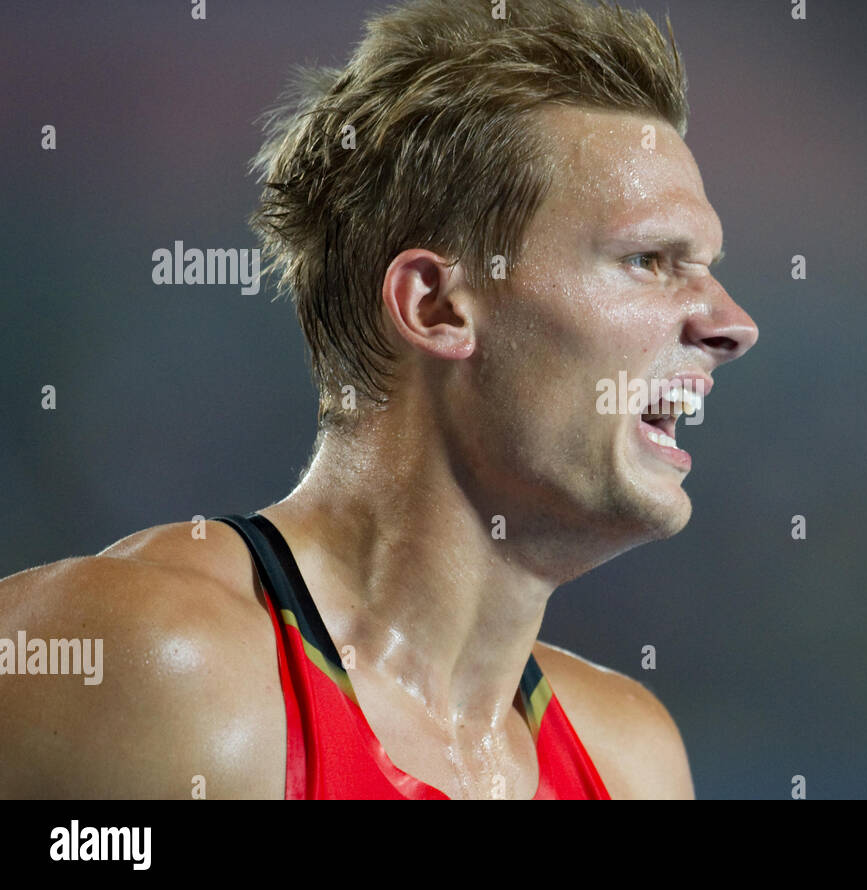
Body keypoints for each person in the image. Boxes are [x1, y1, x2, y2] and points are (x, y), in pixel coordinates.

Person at [0, 0, 757, 799]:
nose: (733, 324)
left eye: (706, 266)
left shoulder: (629, 760)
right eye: (648, 259)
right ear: (435, 305)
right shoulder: (149, 666)